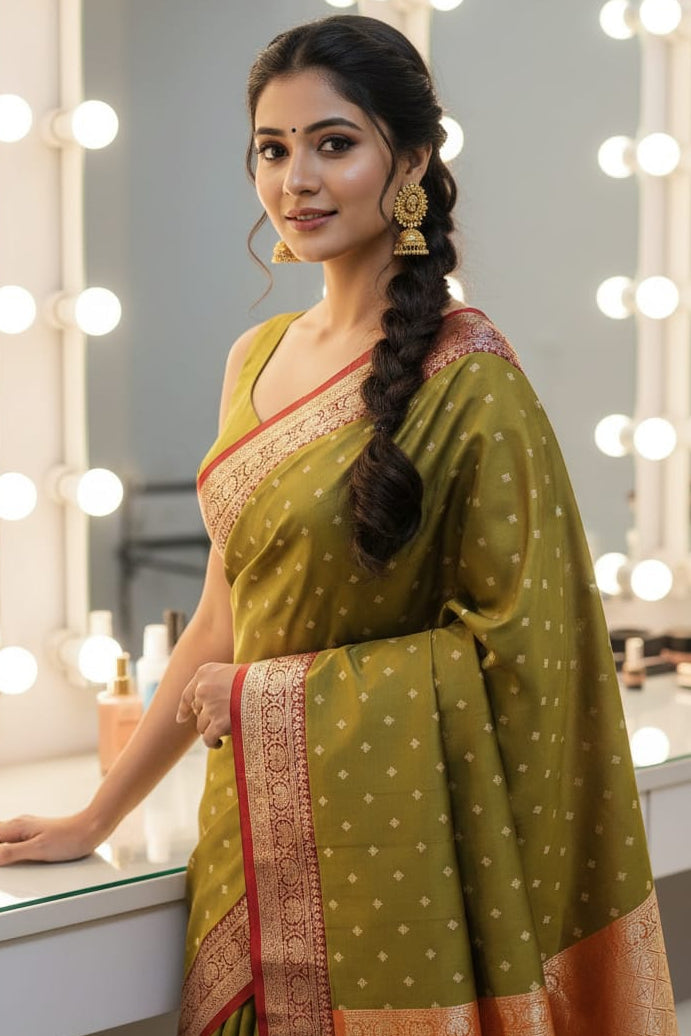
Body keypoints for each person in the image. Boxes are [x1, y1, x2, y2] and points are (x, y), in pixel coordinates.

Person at [0, 14, 679, 1036]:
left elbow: (524, 659)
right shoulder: (256, 356)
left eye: (333, 143)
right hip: (250, 843)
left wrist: (268, 698)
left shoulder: (469, 381)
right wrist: (97, 814)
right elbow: (219, 624)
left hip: (400, 867)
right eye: (272, 149)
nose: (297, 180)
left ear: (409, 162)